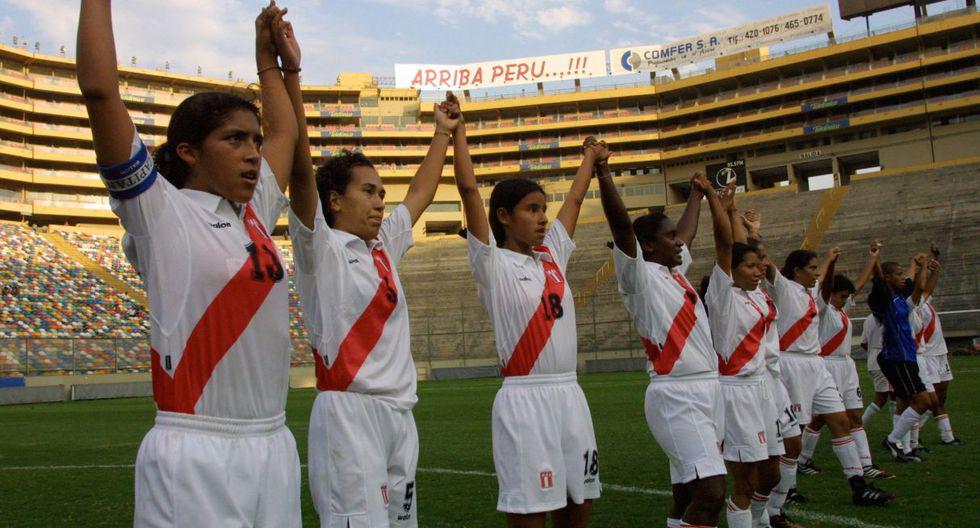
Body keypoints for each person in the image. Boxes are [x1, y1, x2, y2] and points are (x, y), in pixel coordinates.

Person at [77, 1, 301, 525]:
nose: (253, 153)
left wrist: (273, 62)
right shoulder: (160, 212)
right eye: (234, 139)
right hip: (196, 450)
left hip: (273, 442)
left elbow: (286, 134)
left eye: (254, 140)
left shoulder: (255, 214)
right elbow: (99, 91)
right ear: (188, 152)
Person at [288, 70, 461, 524]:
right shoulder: (319, 248)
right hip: (349, 414)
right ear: (335, 200)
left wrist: (442, 133)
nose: (381, 201)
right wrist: (289, 76)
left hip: (399, 414)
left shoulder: (382, 245)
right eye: (368, 191)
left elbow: (421, 194)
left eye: (382, 192)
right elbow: (301, 173)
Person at [455, 125, 602, 528]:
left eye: (543, 209)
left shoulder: (551, 256)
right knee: (531, 514)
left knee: (579, 507)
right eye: (531, 209)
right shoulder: (492, 263)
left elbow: (574, 198)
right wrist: (458, 133)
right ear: (504, 216)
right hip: (524, 401)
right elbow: (469, 191)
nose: (542, 218)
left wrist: (590, 156)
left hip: (570, 396)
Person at [598, 169, 725, 528]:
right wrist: (604, 174)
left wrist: (697, 195)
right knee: (711, 494)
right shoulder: (639, 279)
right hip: (677, 396)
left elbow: (686, 233)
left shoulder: (675, 270)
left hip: (708, 390)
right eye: (669, 237)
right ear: (648, 246)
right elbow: (623, 229)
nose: (680, 242)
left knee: (686, 492)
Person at [771, 248, 893, 505]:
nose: (817, 272)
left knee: (841, 421)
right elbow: (766, 263)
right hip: (792, 364)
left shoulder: (812, 293)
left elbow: (825, 277)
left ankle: (858, 485)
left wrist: (830, 260)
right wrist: (752, 231)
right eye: (812, 268)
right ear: (797, 270)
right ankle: (788, 488)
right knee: (796, 433)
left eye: (818, 268)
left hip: (817, 365)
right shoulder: (783, 287)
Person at [701, 183, 784, 528]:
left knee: (772, 474)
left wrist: (734, 211)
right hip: (735, 391)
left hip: (763, 387)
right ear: (731, 271)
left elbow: (743, 247)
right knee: (745, 481)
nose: (758, 269)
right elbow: (727, 246)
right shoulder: (723, 298)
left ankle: (760, 521)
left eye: (759, 265)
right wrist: (716, 205)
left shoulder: (757, 295)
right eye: (749, 267)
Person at [796, 243, 894, 479]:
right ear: (830, 294)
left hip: (846, 366)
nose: (846, 300)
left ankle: (866, 464)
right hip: (827, 365)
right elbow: (829, 287)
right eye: (841, 296)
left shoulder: (840, 309)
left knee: (854, 416)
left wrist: (872, 259)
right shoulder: (823, 309)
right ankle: (802, 459)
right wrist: (831, 263)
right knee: (819, 419)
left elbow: (858, 286)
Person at [741, 211, 804, 528]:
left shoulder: (767, 293)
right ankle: (759, 518)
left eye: (762, 261)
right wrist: (745, 234)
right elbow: (738, 256)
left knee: (794, 447)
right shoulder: (742, 293)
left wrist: (755, 234)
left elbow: (757, 257)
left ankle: (773, 512)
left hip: (775, 382)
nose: (761, 266)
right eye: (754, 263)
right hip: (755, 383)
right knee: (765, 466)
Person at [870, 250, 934, 462]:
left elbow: (919, 288)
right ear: (887, 277)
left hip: (906, 356)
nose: (903, 276)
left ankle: (905, 450)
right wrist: (875, 258)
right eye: (898, 274)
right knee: (923, 401)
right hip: (896, 357)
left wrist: (923, 265)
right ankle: (892, 440)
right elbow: (879, 280)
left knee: (905, 403)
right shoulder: (884, 298)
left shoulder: (900, 298)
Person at [914, 244, 963, 446]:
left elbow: (930, 286)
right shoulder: (914, 304)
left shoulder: (926, 301)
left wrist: (935, 263)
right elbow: (923, 286)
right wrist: (923, 266)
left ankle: (947, 437)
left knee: (941, 398)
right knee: (929, 401)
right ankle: (907, 434)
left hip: (940, 354)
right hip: (927, 357)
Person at [860, 313, 892, 427]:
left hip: (873, 360)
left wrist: (872, 352)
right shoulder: (887, 315)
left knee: (884, 398)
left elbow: (863, 343)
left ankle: (858, 426)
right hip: (884, 361)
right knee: (891, 397)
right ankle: (857, 426)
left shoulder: (868, 318)